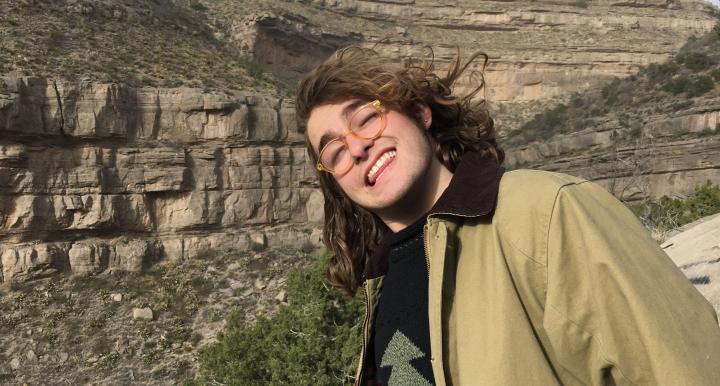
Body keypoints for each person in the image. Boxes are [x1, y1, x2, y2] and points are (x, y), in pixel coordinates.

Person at [295, 46, 720, 386]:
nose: (356, 148)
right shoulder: (381, 285)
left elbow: (684, 369)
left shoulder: (547, 212)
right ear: (336, 182)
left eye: (366, 118)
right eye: (333, 152)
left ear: (419, 111)